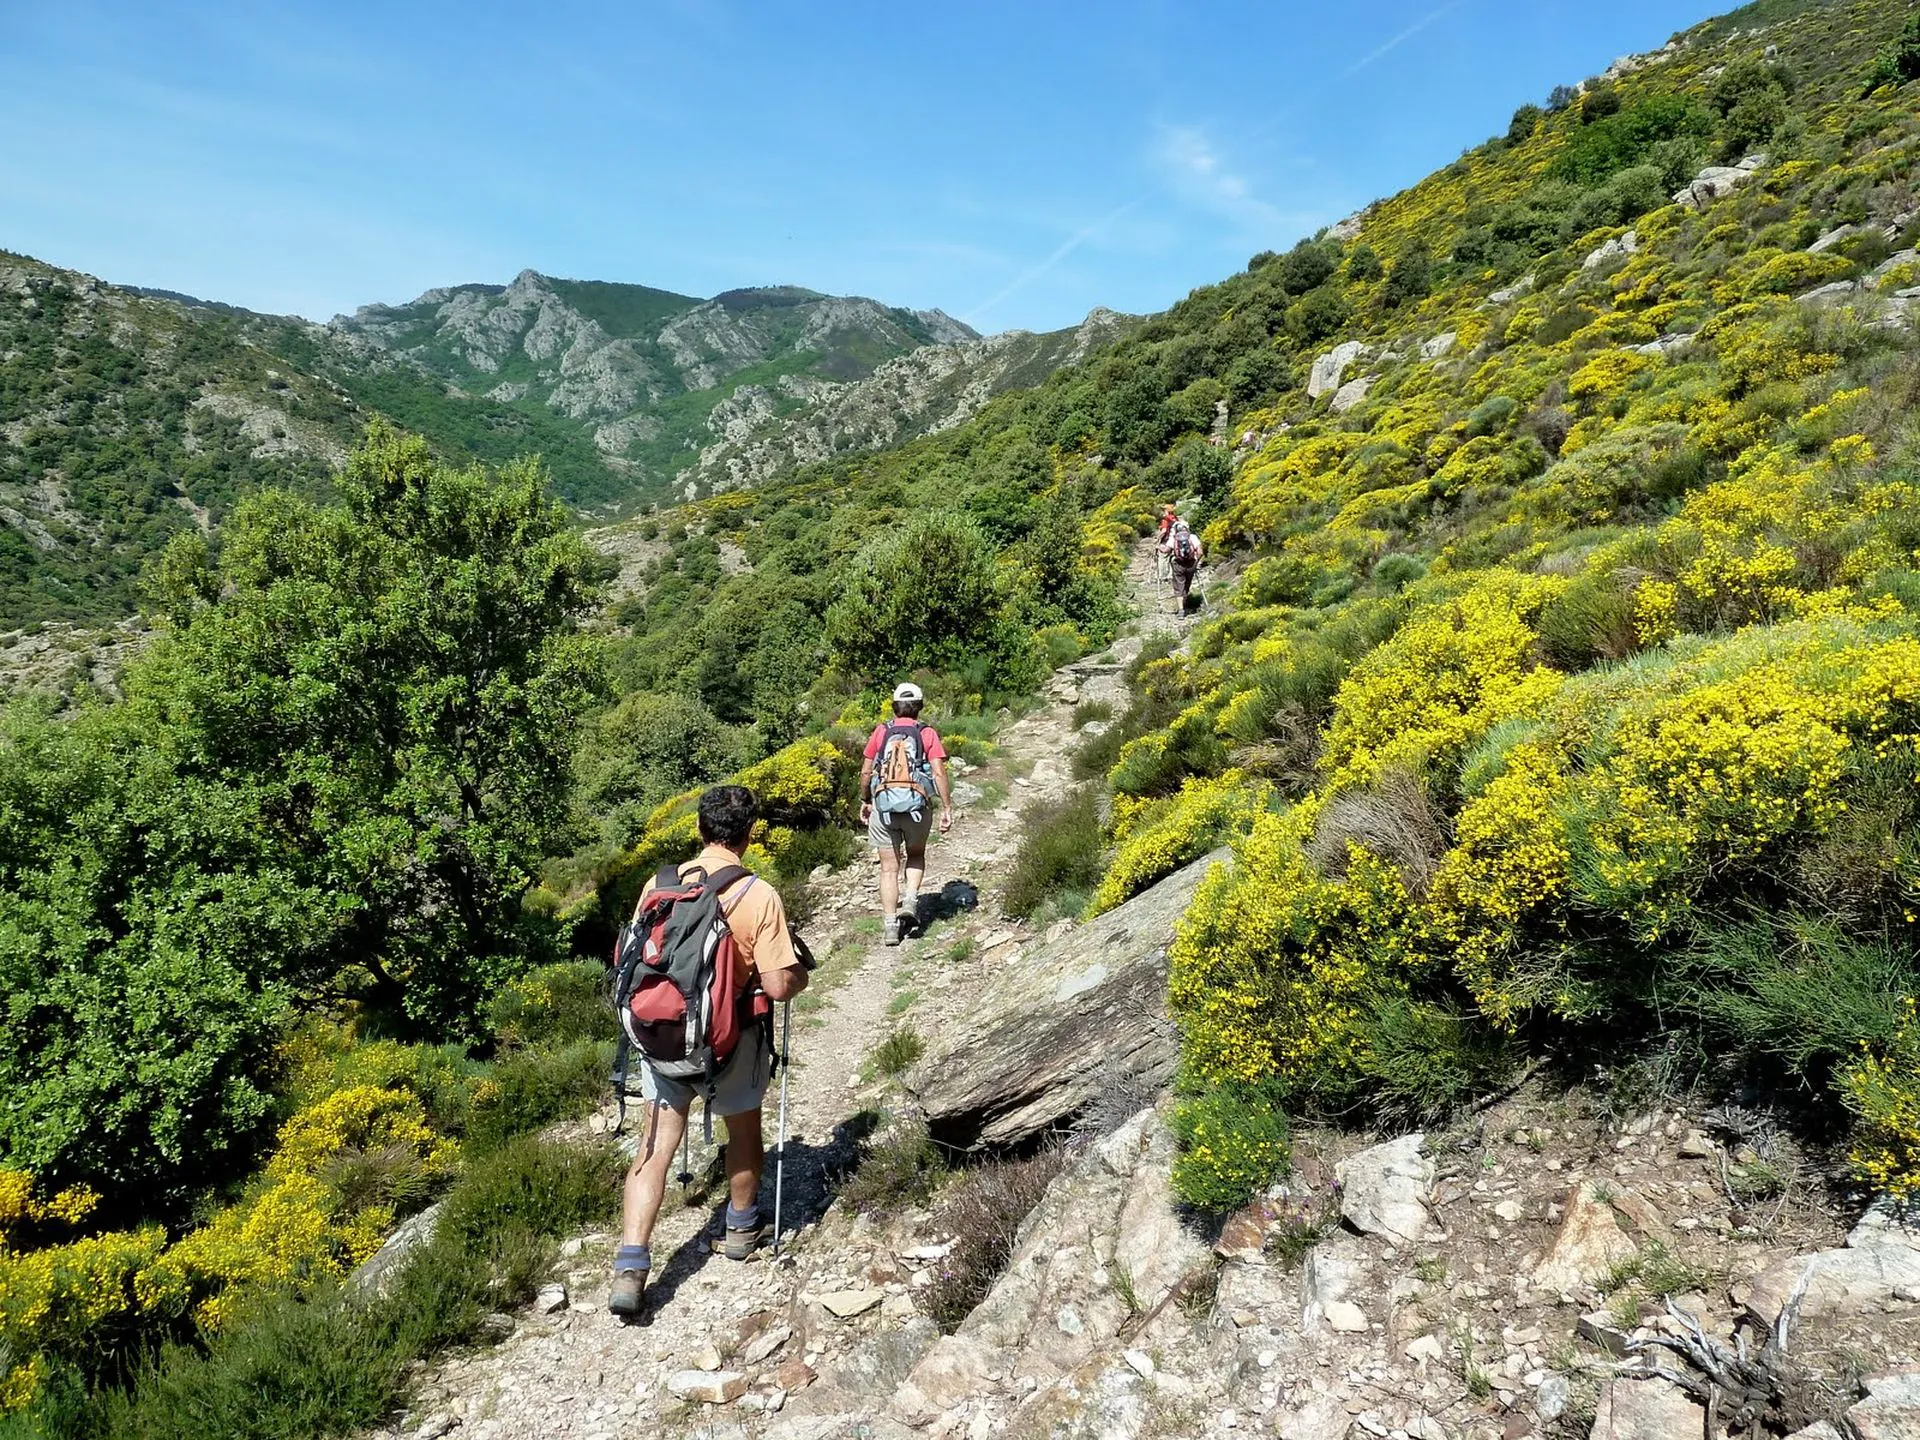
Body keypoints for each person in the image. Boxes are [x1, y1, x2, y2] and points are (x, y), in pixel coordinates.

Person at [609, 784, 809, 1318]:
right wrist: (798, 977)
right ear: (749, 835)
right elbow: (780, 985)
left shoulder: (660, 884)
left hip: (664, 1039)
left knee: (654, 1147)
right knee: (743, 1131)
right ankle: (742, 1228)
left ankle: (631, 1264)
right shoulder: (758, 895)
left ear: (699, 830)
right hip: (730, 1041)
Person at [858, 682, 954, 946]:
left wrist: (866, 800)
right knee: (915, 854)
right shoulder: (927, 733)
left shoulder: (881, 731)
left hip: (884, 807)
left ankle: (890, 927)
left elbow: (866, 772)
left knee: (888, 868)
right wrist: (946, 806)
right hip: (917, 807)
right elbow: (938, 772)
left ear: (894, 706)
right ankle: (910, 900)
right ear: (919, 706)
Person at [1160, 517, 1204, 615]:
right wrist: (1197, 562)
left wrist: (1158, 547)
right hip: (1191, 564)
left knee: (1179, 585)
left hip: (1178, 564)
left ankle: (1181, 610)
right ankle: (1185, 603)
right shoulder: (1193, 537)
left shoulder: (1173, 538)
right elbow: (1200, 552)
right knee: (1187, 585)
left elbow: (1166, 551)